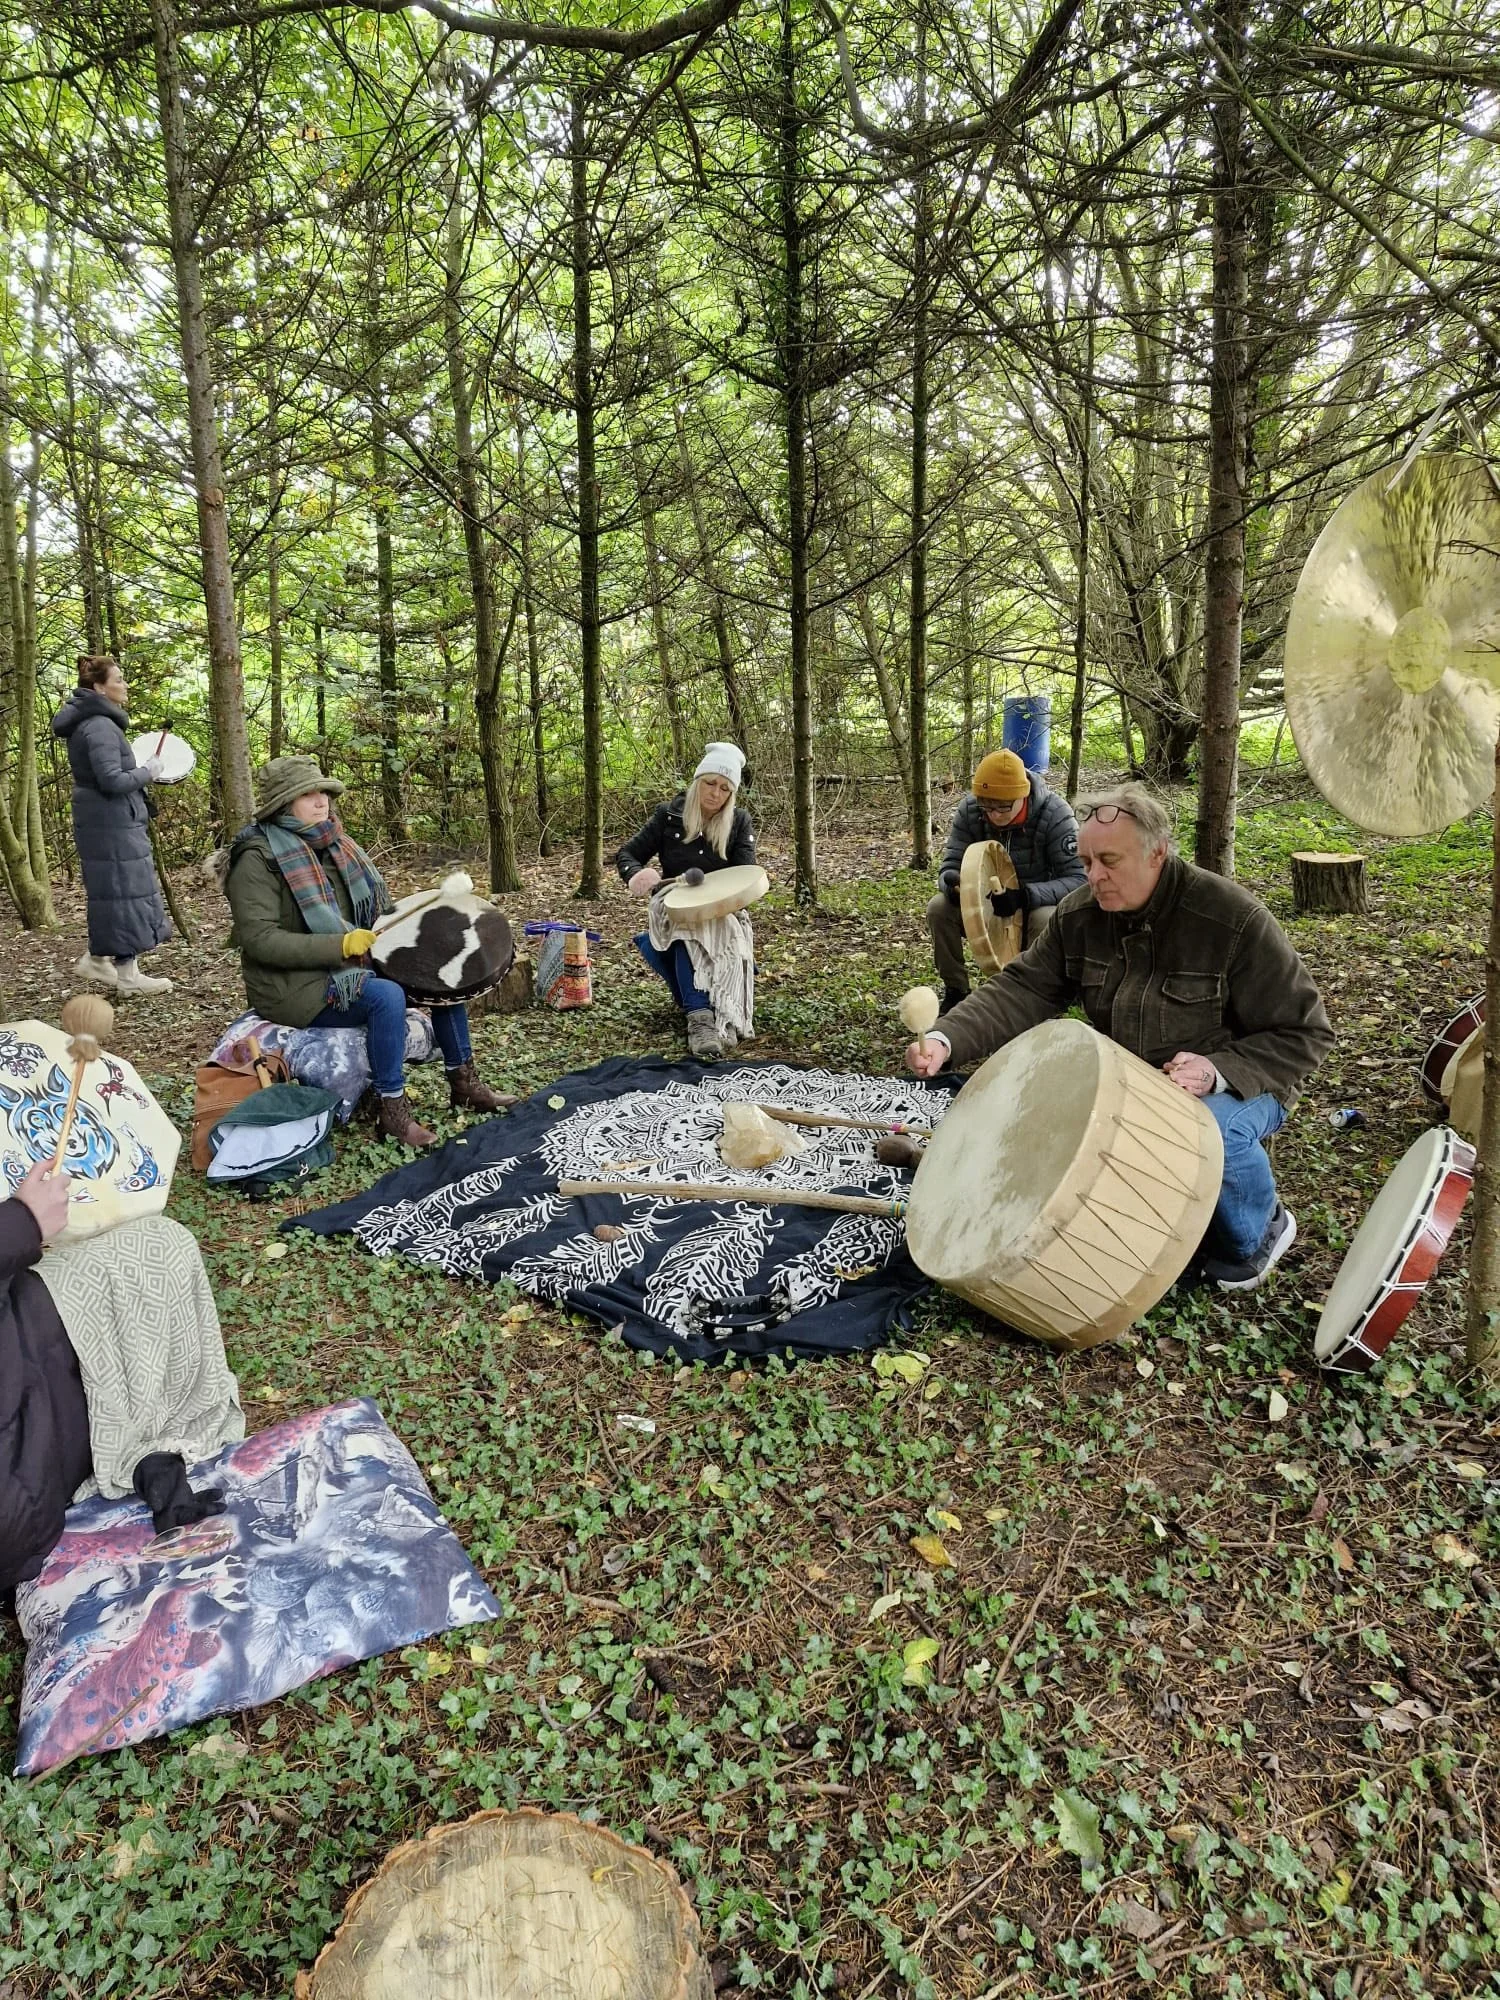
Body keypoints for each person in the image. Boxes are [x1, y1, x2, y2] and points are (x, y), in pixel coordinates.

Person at [906, 783, 1333, 1292]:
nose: (1094, 876)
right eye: (1086, 862)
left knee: (1202, 1131)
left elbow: (1305, 1033)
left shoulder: (1232, 919)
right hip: (1132, 1084)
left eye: (1109, 860)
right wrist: (946, 1039)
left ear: (1158, 853)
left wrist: (1218, 1070)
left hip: (1245, 1086)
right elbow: (1024, 988)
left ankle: (1261, 1232)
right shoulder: (1079, 914)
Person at [224, 756, 514, 1149]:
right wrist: (339, 944)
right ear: (282, 804)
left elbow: (375, 913)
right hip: (292, 984)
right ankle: (392, 1110)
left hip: (352, 962)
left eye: (322, 792)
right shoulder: (257, 858)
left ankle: (463, 1083)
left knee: (440, 975)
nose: (320, 800)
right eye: (306, 794)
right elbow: (260, 940)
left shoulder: (336, 842)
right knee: (386, 996)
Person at [1, 1159, 241, 1593]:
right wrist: (24, 1221)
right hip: (16, 1501)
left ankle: (135, 1438)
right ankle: (138, 1434)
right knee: (160, 1245)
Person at [617, 743, 757, 1060]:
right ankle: (700, 1020)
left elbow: (744, 873)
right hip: (674, 906)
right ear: (698, 781)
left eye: (725, 788)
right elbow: (627, 855)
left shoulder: (738, 821)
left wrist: (718, 902)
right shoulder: (668, 816)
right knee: (683, 931)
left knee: (696, 932)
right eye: (710, 783)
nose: (715, 793)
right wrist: (638, 875)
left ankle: (707, 1007)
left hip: (723, 912)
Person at [51, 653, 174, 997]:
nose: (125, 685)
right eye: (118, 679)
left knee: (119, 892)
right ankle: (124, 975)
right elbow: (111, 780)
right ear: (99, 687)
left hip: (109, 821)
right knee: (122, 892)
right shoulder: (100, 726)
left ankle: (112, 965)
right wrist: (147, 772)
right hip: (110, 822)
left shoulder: (94, 722)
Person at [930, 749, 1085, 1014]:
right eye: (986, 806)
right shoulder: (970, 810)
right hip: (987, 904)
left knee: (1046, 918)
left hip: (1035, 903)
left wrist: (1025, 895)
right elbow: (951, 863)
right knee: (939, 908)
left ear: (1022, 796)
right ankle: (956, 990)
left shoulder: (1056, 814)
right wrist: (954, 884)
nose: (995, 815)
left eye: (1003, 807)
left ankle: (1040, 995)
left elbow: (1080, 880)